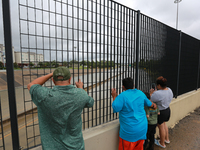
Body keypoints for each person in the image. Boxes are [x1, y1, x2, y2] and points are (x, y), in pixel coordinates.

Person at [27, 67, 94, 150]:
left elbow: (31, 85)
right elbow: (90, 103)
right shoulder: (81, 94)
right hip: (76, 147)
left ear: (53, 80)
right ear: (70, 79)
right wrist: (80, 88)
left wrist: (52, 74)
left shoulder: (45, 96)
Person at [111, 77, 157, 150]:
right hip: (142, 130)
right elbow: (149, 103)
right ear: (134, 85)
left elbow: (116, 108)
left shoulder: (122, 96)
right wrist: (154, 105)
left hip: (129, 133)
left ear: (123, 87)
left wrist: (114, 96)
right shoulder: (140, 93)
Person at [150, 76, 173, 148]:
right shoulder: (169, 90)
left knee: (161, 127)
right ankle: (167, 139)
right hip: (167, 110)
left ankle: (162, 143)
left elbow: (151, 101)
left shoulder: (157, 94)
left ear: (159, 85)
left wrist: (151, 93)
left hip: (161, 112)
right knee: (164, 124)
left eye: (157, 85)